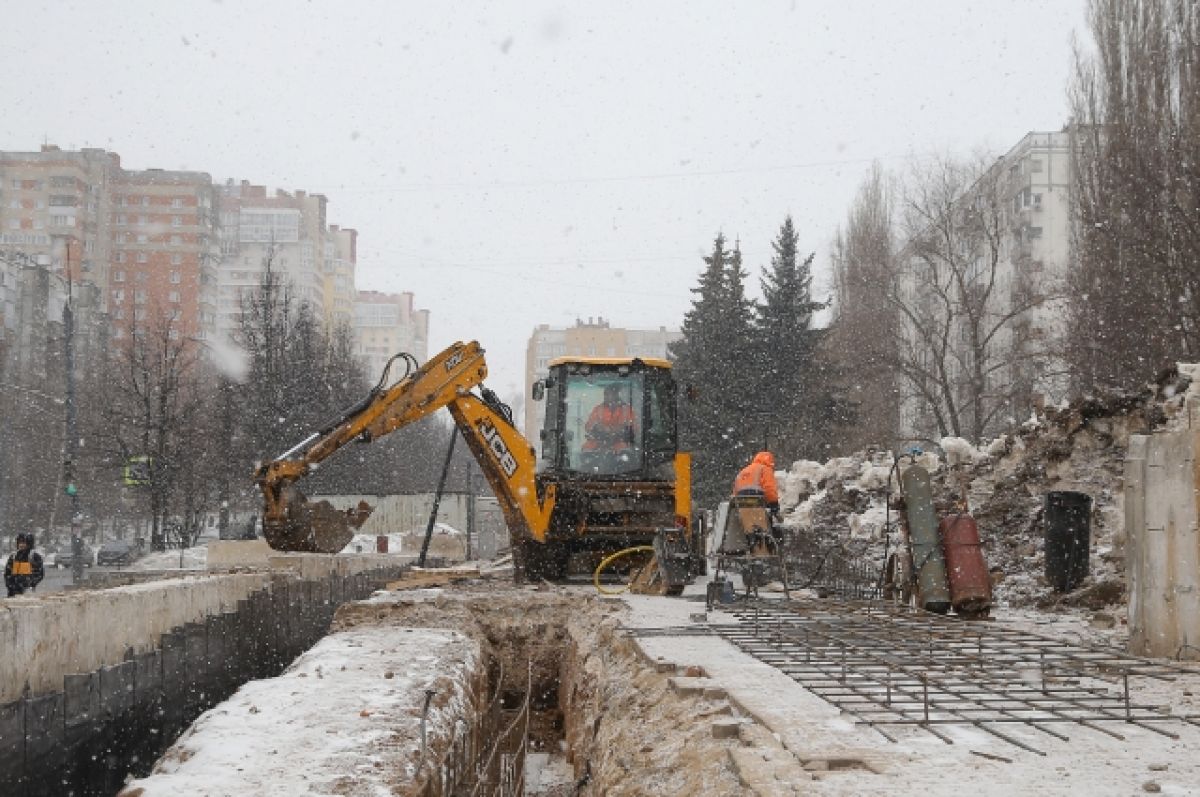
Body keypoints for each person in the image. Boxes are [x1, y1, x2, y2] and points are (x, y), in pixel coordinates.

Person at [583, 384, 636, 453]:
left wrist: (618, 430)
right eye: (605, 394)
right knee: (587, 449)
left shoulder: (627, 410)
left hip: (619, 441)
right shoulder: (598, 409)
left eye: (609, 394)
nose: (606, 396)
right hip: (600, 441)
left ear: (616, 395)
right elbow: (588, 427)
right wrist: (598, 427)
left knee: (625, 450)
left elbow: (633, 429)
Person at [733, 451, 781, 519]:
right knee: (766, 518)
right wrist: (774, 505)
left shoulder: (744, 470)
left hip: (741, 501)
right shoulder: (765, 469)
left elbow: (735, 489)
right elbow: (769, 489)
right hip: (756, 499)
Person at [5, 532, 45, 597]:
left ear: (29, 543)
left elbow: (39, 574)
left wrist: (30, 584)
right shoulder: (13, 557)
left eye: (23, 543)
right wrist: (10, 585)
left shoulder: (34, 556)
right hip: (12, 592)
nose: (21, 545)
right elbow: (7, 573)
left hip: (28, 592)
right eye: (19, 543)